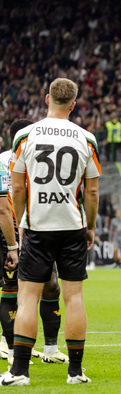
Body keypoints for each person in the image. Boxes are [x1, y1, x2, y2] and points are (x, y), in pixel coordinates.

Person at [2, 77, 100, 385]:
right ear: (73, 105)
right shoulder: (86, 138)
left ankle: (19, 372)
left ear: (47, 99)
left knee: (28, 298)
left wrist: (21, 223)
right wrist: (91, 226)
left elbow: (17, 186)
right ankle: (75, 371)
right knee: (73, 297)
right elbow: (93, 192)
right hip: (72, 224)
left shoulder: (25, 135)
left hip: (36, 224)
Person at [0, 119, 68, 365]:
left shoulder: (39, 158)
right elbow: (6, 204)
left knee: (51, 285)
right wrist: (12, 241)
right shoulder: (4, 160)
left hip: (38, 230)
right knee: (13, 289)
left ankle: (51, 349)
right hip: (11, 232)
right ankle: (12, 349)